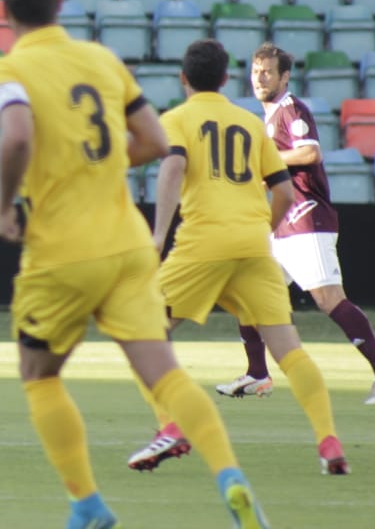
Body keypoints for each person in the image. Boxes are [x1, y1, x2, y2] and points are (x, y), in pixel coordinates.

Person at [0, 0, 269, 529]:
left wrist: (5, 205)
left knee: (40, 377)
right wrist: (105, 164)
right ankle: (230, 476)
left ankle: (87, 504)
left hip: (61, 252)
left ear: (4, 11)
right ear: (60, 4)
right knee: (165, 373)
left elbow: (15, 136)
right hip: (129, 246)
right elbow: (155, 138)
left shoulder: (7, 70)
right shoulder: (100, 58)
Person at [126, 39, 349, 478]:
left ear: (183, 78)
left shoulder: (176, 119)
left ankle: (170, 426)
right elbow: (283, 191)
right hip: (254, 245)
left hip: (202, 244)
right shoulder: (250, 123)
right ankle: (329, 441)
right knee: (289, 349)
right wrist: (259, 230)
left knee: (141, 332)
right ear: (227, 79)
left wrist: (157, 234)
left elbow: (172, 169)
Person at [212, 42, 375, 405]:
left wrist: (263, 160)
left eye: (268, 71)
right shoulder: (268, 117)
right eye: (256, 71)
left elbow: (310, 152)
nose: (260, 78)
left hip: (306, 218)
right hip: (284, 224)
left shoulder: (290, 109)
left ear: (285, 76)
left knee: (329, 299)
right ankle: (257, 374)